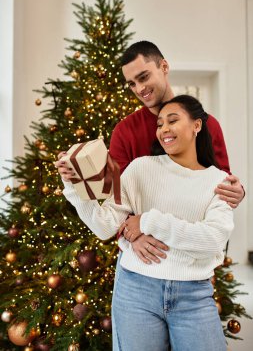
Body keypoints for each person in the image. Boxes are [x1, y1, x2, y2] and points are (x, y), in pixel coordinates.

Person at [56, 95, 234, 351]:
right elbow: (105, 226)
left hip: (194, 295)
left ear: (197, 125)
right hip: (135, 290)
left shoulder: (218, 181)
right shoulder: (140, 169)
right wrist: (73, 186)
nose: (164, 129)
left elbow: (213, 239)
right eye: (160, 124)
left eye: (173, 121)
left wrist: (148, 221)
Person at [108, 40, 244, 265]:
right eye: (132, 84)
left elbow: (221, 184)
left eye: (144, 77)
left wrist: (237, 191)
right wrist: (131, 236)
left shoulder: (208, 125)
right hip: (142, 258)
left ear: (164, 67)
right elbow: (115, 198)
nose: (140, 89)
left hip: (192, 260)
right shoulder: (124, 132)